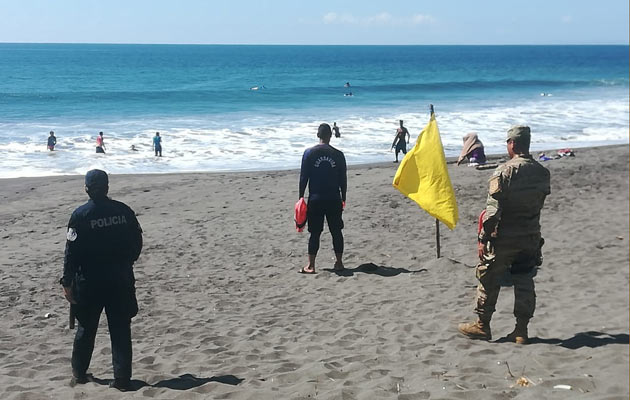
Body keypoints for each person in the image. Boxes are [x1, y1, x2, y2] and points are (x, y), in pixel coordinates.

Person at [458, 126, 550, 345]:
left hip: (505, 237)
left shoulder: (505, 171)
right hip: (530, 235)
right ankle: (521, 330)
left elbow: (492, 212)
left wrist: (484, 238)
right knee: (525, 280)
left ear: (512, 144)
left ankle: (482, 325)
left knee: (488, 279)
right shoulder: (542, 172)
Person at [60, 169, 143, 391]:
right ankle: (123, 379)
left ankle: (79, 373)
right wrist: (126, 262)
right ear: (107, 187)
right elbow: (137, 241)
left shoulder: (80, 215)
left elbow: (71, 252)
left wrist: (67, 282)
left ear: (87, 189)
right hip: (120, 279)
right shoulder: (123, 211)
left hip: (89, 282)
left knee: (86, 329)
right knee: (120, 330)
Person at [298, 123, 347, 274]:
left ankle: (311, 266)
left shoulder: (309, 153)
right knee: (336, 231)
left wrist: (301, 197)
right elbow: (343, 179)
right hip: (334, 198)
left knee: (315, 232)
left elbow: (303, 177)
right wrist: (343, 197)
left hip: (316, 199)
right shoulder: (338, 155)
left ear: (318, 135)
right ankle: (339, 263)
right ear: (330, 135)